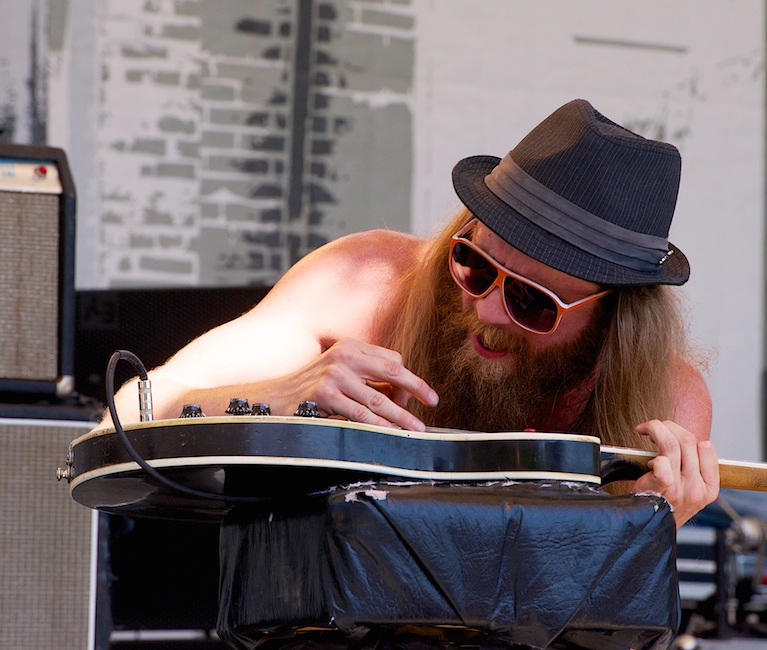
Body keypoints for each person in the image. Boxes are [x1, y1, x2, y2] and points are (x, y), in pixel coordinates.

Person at [102, 99, 719, 525]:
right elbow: (129, 415)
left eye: (532, 302)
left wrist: (642, 533)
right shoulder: (366, 282)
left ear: (614, 321)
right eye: (474, 264)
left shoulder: (662, 405)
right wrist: (276, 396)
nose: (486, 309)